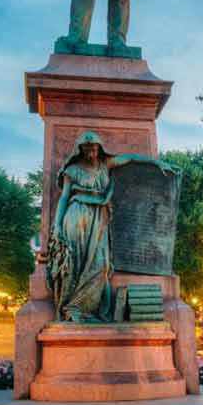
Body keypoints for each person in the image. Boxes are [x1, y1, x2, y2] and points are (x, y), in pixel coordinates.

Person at [46, 131, 175, 322]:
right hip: (77, 216)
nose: (92, 153)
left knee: (101, 263)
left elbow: (130, 158)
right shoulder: (72, 170)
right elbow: (64, 197)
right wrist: (57, 225)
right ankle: (73, 309)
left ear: (100, 148)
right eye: (88, 149)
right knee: (76, 262)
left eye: (95, 149)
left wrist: (157, 163)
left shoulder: (106, 164)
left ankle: (85, 307)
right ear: (80, 150)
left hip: (99, 217)